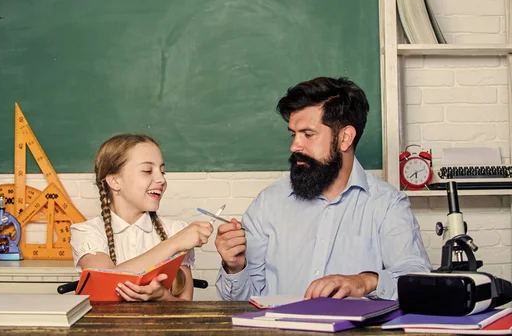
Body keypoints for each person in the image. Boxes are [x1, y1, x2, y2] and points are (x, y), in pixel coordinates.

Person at [214, 77, 432, 301]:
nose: (294, 146)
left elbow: (419, 282)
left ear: (345, 138)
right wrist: (235, 268)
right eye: (293, 134)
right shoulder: (268, 204)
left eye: (308, 135)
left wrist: (366, 281)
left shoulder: (387, 204)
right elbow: (241, 305)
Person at [71, 134, 213, 301]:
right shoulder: (87, 232)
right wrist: (174, 243)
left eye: (162, 171)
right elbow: (106, 281)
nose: (161, 179)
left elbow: (185, 306)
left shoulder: (176, 230)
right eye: (147, 171)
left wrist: (163, 298)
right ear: (115, 181)